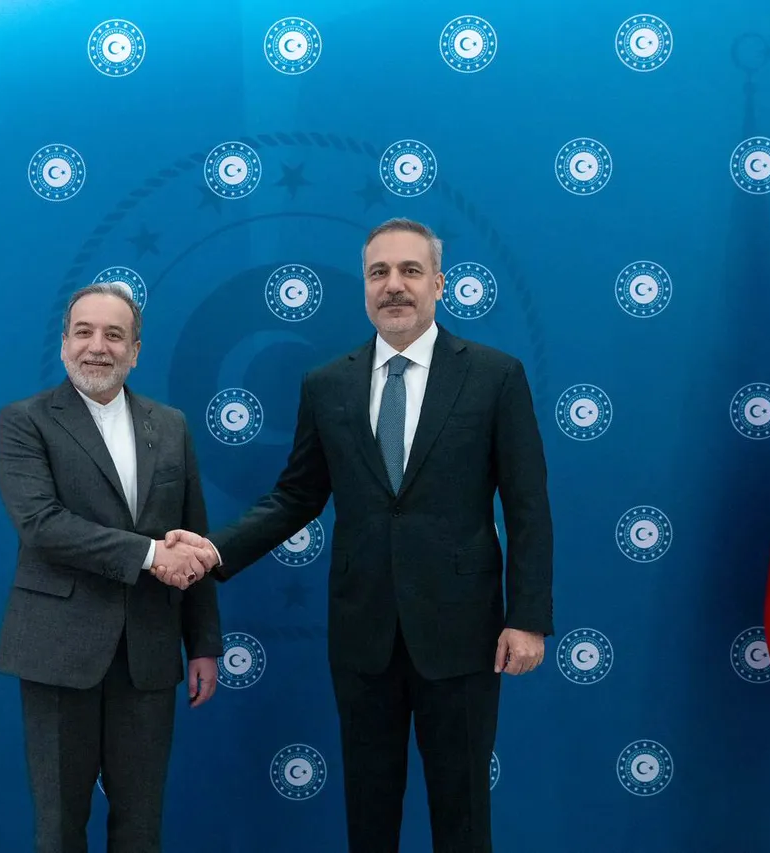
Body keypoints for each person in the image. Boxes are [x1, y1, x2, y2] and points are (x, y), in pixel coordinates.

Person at [160, 218, 554, 852]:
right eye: (379, 273)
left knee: (463, 813)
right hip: (363, 635)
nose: (393, 285)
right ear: (365, 287)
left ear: (439, 284)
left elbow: (528, 506)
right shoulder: (327, 384)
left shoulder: (494, 376)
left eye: (410, 271)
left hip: (462, 634)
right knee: (369, 812)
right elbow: (296, 496)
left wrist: (527, 617)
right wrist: (213, 549)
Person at [0, 282, 221, 853]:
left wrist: (202, 643)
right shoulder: (25, 421)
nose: (98, 346)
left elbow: (192, 538)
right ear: (64, 344)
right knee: (59, 827)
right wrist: (150, 554)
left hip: (149, 650)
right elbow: (41, 524)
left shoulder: (171, 425)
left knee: (141, 826)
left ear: (135, 351)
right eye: (85, 332)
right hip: (57, 652)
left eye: (114, 335)